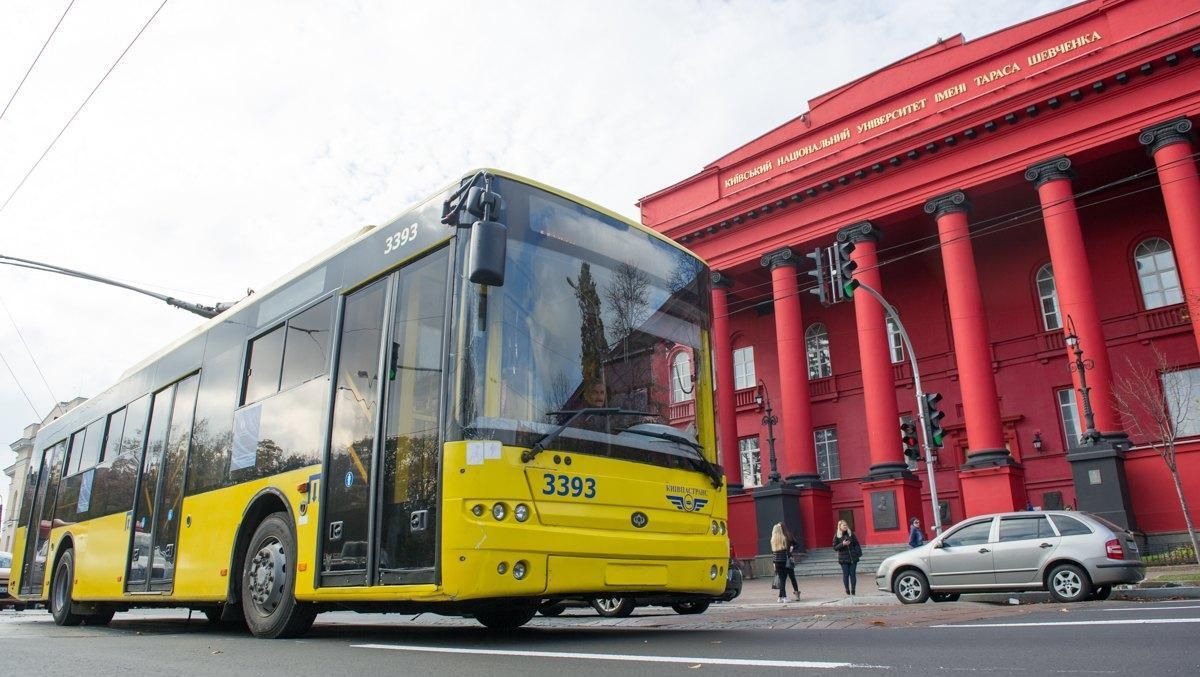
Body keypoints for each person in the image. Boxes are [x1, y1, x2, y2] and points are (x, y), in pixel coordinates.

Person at [832, 520, 862, 596]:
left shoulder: (851, 534)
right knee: (846, 575)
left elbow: (856, 544)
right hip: (843, 559)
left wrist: (857, 553)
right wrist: (843, 544)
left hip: (853, 558)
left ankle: (853, 590)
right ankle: (847, 589)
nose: (845, 526)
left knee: (853, 574)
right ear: (840, 527)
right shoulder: (837, 535)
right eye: (843, 525)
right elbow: (835, 547)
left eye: (846, 525)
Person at [769, 523, 792, 603]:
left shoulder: (772, 540)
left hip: (776, 561)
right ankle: (784, 597)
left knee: (782, 579)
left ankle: (780, 597)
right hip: (783, 561)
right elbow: (786, 550)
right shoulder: (784, 539)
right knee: (783, 580)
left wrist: (774, 563)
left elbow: (773, 552)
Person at [780, 523, 801, 600]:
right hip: (788, 558)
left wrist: (792, 547)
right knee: (791, 577)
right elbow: (797, 544)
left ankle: (783, 596)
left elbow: (796, 544)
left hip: (784, 559)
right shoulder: (788, 535)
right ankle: (796, 593)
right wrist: (792, 547)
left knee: (783, 578)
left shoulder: (786, 535)